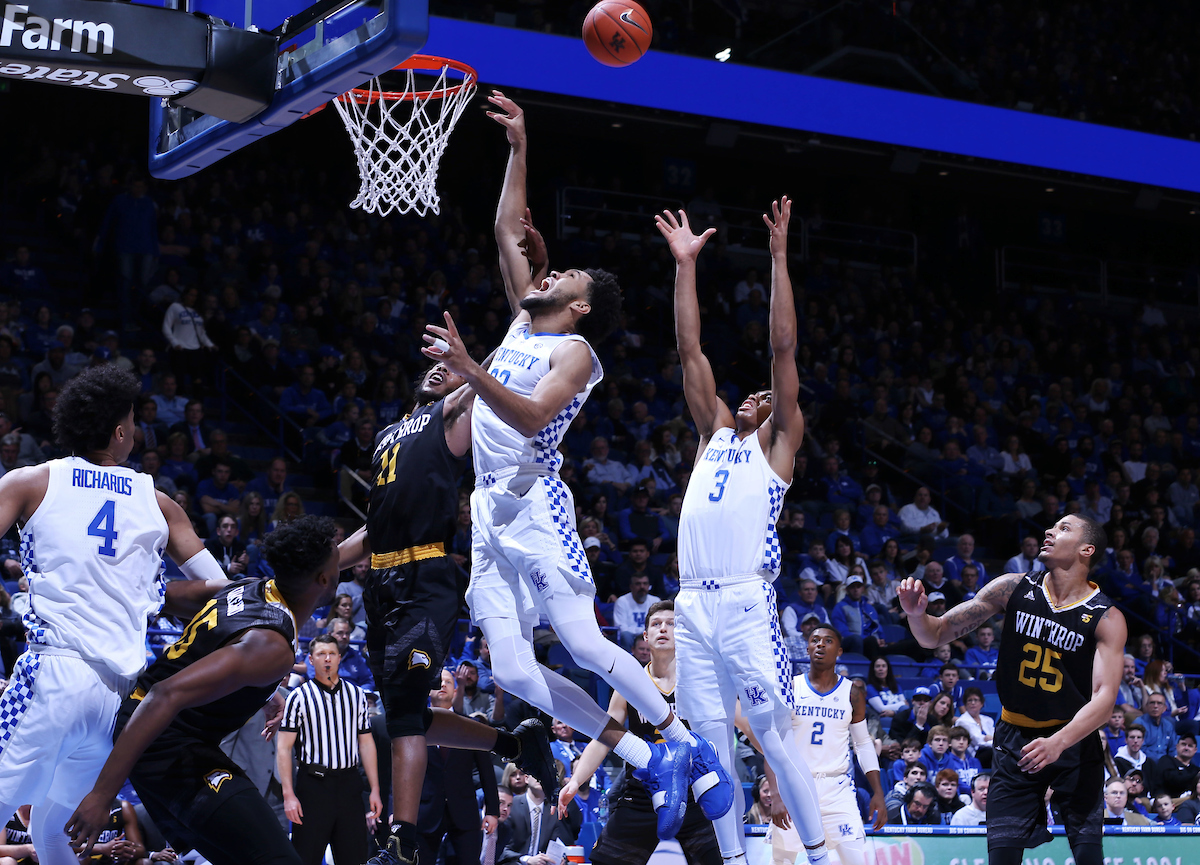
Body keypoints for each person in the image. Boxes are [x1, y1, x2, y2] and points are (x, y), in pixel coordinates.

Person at [424, 91, 730, 844]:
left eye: (568, 276)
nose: (553, 272)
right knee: (513, 675)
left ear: (582, 305)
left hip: (535, 502)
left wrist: (470, 367)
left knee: (585, 643)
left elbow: (529, 417)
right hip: (487, 512)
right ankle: (642, 755)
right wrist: (521, 148)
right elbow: (506, 227)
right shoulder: (522, 320)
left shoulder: (576, 352)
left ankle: (677, 735)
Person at [0, 365, 230, 865]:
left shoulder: (31, 481)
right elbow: (223, 593)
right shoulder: (159, 501)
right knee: (53, 825)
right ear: (122, 432)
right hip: (118, 701)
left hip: (54, 673)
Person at [337, 358, 559, 865]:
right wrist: (323, 563)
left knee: (406, 717)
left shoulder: (452, 414)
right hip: (382, 581)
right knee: (406, 715)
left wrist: (519, 314)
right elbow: (373, 530)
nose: (439, 371)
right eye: (433, 367)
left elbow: (492, 366)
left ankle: (403, 843)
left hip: (425, 576)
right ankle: (514, 744)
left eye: (450, 368)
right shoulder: (389, 435)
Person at [658, 200, 826, 865]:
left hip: (744, 601)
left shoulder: (778, 444)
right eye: (749, 393)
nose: (756, 395)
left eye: (765, 394)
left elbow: (783, 347)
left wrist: (780, 256)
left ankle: (817, 856)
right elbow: (689, 348)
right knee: (709, 745)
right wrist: (685, 267)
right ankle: (732, 861)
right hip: (692, 602)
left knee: (773, 739)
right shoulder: (712, 435)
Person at [65, 517, 344, 864]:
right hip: (163, 741)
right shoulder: (271, 646)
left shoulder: (249, 587)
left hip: (151, 728)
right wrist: (102, 795)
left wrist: (265, 693)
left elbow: (162, 598)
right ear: (324, 579)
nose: (341, 565)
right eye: (337, 563)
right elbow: (165, 695)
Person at [898, 514, 1127, 865]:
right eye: (1053, 526)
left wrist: (1057, 743)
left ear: (1087, 549)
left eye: (1064, 528)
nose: (1050, 531)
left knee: (1088, 856)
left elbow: (1105, 701)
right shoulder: (1012, 587)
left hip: (1074, 744)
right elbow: (936, 634)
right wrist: (916, 615)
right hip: (1014, 741)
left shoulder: (1106, 617)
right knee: (1002, 857)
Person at [557, 600, 722, 865]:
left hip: (691, 795)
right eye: (656, 624)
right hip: (642, 794)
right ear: (646, 636)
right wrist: (576, 780)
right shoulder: (630, 683)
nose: (663, 629)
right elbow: (603, 738)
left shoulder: (698, 682)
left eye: (671, 624)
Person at [745, 625, 886, 865]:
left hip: (836, 788)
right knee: (782, 861)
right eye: (815, 640)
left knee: (854, 859)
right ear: (808, 648)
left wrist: (878, 792)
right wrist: (777, 795)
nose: (820, 644)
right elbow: (773, 745)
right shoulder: (789, 688)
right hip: (795, 784)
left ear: (839, 651)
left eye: (828, 641)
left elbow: (862, 744)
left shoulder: (852, 693)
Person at [277, 634, 381, 865]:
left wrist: (374, 789)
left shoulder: (356, 695)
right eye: (321, 654)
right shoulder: (299, 697)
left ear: (340, 658)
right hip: (313, 785)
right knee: (306, 856)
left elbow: (366, 743)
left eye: (332, 654)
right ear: (311, 660)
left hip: (349, 784)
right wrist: (288, 795)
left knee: (354, 856)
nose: (327, 659)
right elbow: (284, 748)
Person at [417, 669, 500, 865]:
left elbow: (486, 771)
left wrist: (492, 810)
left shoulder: (470, 726)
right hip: (426, 811)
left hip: (464, 812)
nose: (443, 685)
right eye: (439, 681)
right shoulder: (415, 727)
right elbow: (401, 772)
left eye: (448, 682)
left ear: (455, 690)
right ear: (428, 690)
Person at [613, 572, 662, 649]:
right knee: (625, 635)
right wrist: (641, 633)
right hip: (631, 637)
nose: (642, 587)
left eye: (645, 583)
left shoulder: (655, 601)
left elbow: (658, 624)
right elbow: (621, 627)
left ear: (649, 586)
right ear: (631, 586)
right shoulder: (622, 601)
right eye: (638, 584)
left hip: (649, 634)